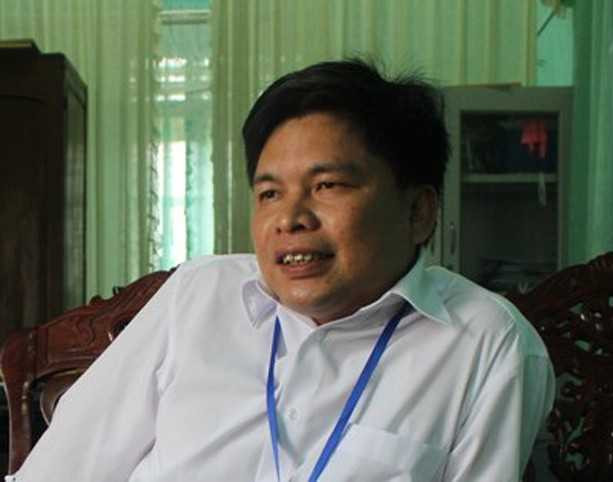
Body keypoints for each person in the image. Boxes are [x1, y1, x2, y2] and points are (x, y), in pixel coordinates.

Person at [7, 59, 554, 482]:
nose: (290, 219)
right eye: (269, 193)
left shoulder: (487, 343)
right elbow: (61, 470)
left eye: (327, 186)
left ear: (419, 212)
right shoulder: (198, 295)